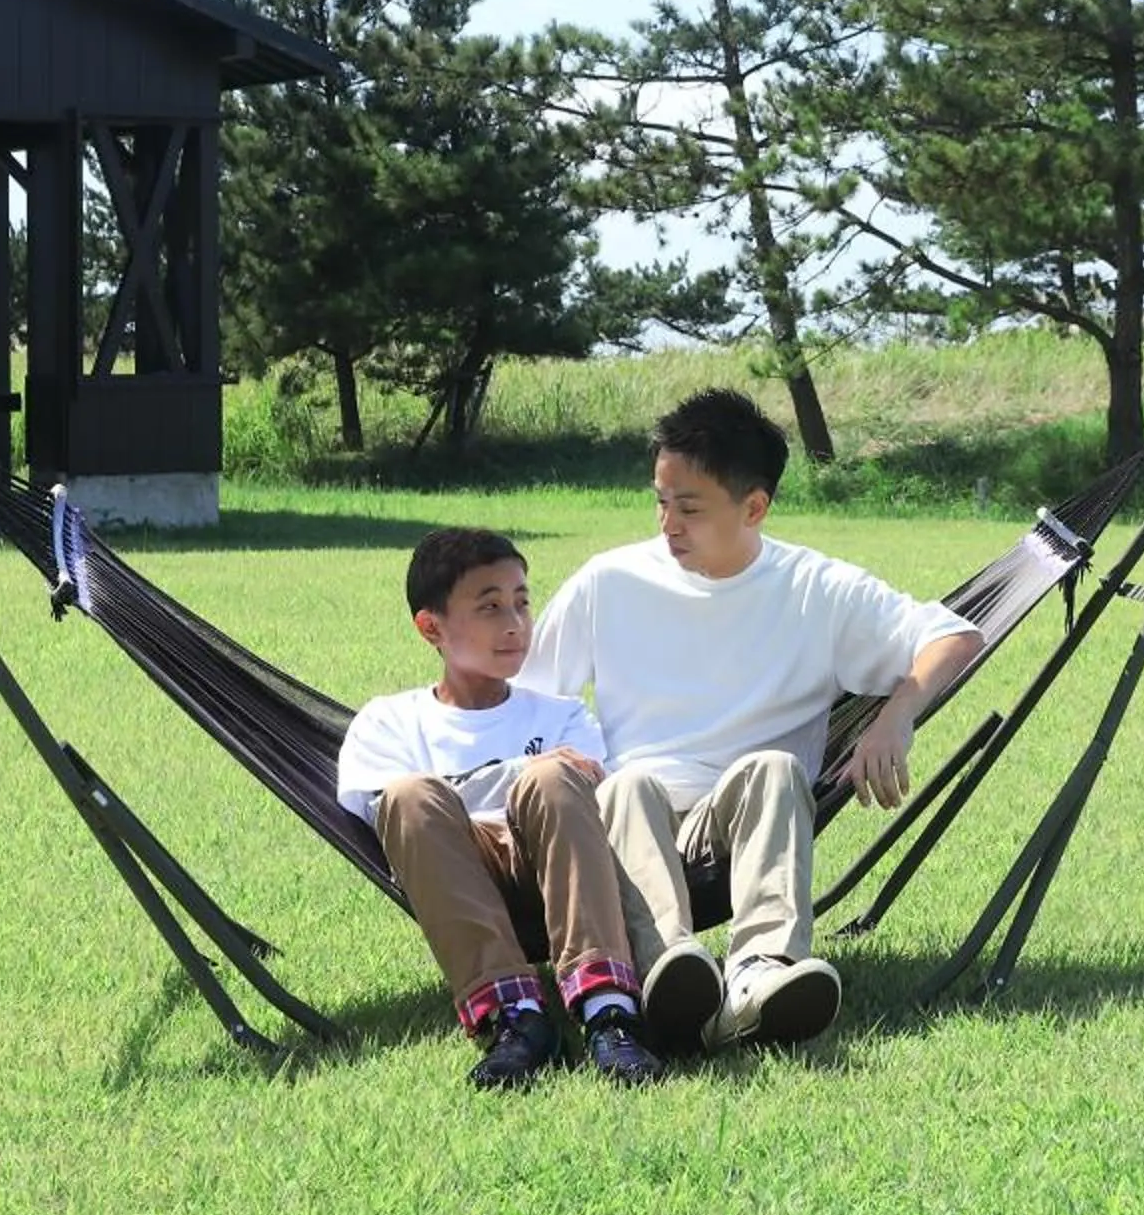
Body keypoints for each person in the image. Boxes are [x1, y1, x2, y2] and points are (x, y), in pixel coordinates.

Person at [519, 389, 981, 1053]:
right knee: (626, 785)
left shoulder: (817, 589)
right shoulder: (610, 581)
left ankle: (760, 973)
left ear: (754, 507)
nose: (667, 523)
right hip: (632, 823)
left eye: (689, 507)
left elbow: (955, 636)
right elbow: (528, 698)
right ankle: (672, 974)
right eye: (659, 500)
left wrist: (897, 715)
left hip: (741, 825)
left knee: (772, 768)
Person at [335, 527, 665, 1089]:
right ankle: (518, 1018)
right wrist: (512, 775)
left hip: (552, 862)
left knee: (553, 776)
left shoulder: (561, 715)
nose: (514, 623)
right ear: (431, 627)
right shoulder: (388, 722)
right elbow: (392, 815)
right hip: (460, 871)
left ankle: (607, 1012)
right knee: (413, 795)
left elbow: (580, 790)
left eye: (521, 601)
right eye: (489, 606)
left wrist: (518, 779)